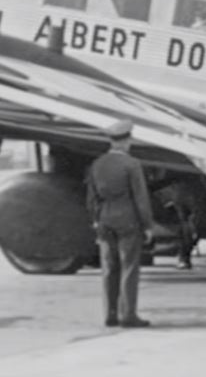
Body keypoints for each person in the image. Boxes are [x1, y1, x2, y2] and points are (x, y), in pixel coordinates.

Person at [86, 119, 155, 328]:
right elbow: (141, 198)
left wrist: (96, 221)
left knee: (109, 268)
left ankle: (110, 314)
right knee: (129, 267)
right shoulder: (131, 164)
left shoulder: (97, 164)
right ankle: (128, 315)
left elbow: (91, 198)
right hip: (128, 219)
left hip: (105, 220)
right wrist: (148, 225)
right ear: (128, 140)